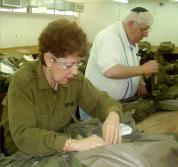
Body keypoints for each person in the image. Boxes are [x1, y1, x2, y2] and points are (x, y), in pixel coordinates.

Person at [1, 19, 122, 157]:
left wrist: (112, 115)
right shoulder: (23, 82)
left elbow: (100, 100)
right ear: (49, 60)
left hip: (60, 143)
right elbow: (25, 135)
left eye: (78, 64)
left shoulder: (74, 80)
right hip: (23, 152)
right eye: (69, 65)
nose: (75, 71)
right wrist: (74, 144)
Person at [80, 7, 158, 119]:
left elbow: (133, 64)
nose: (146, 35)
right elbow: (111, 70)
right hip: (98, 107)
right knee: (98, 136)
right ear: (131, 23)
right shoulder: (109, 37)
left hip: (120, 104)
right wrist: (143, 69)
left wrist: (140, 82)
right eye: (143, 29)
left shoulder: (132, 40)